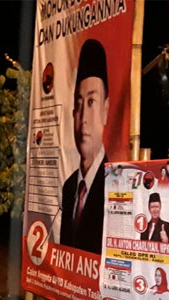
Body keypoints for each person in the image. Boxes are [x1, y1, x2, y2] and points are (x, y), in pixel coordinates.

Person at [60, 39, 109, 254]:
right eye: (78, 105)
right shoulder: (70, 187)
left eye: (91, 103)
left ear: (105, 110)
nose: (83, 119)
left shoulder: (115, 185)